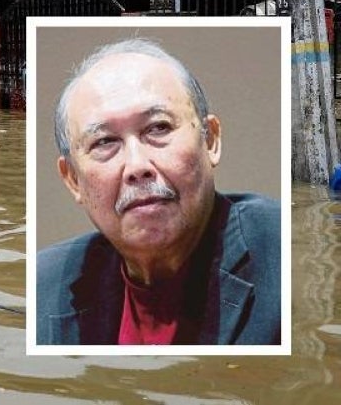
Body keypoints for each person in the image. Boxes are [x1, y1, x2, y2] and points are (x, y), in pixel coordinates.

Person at [37, 38, 281, 346]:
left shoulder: (287, 260)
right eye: (104, 142)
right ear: (73, 179)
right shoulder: (43, 285)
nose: (136, 166)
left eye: (158, 128)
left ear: (210, 141)